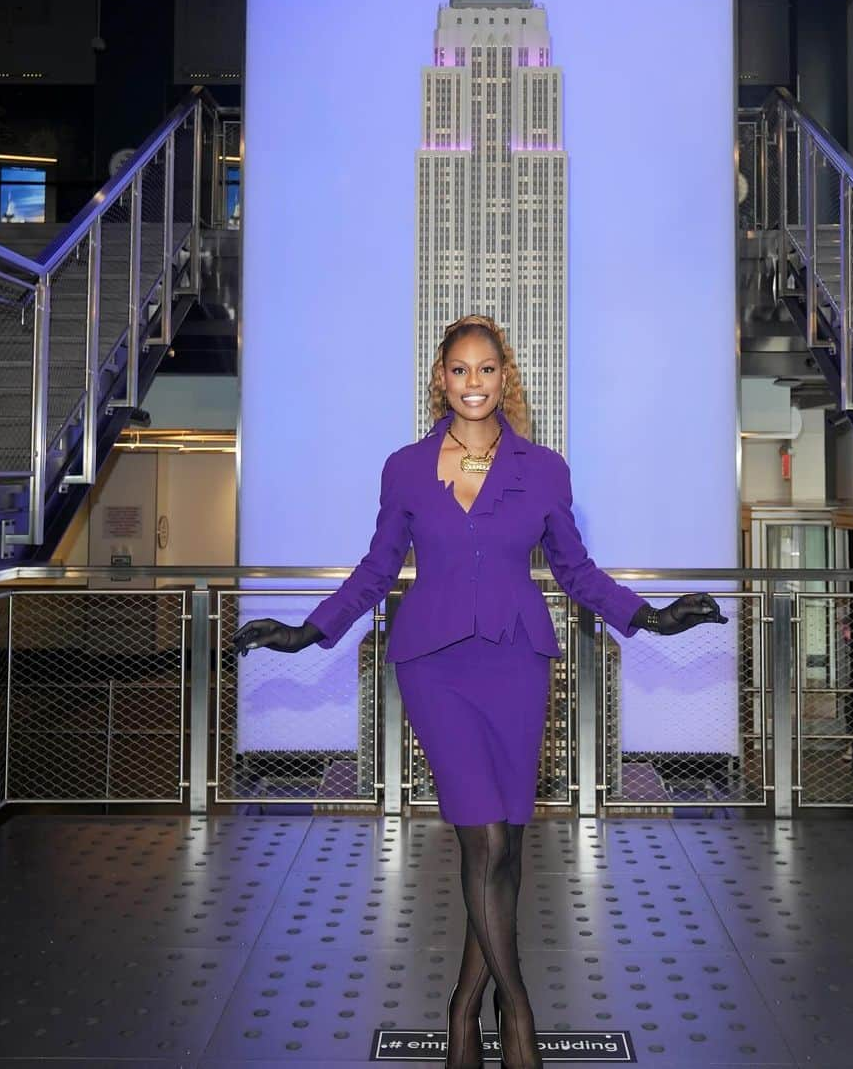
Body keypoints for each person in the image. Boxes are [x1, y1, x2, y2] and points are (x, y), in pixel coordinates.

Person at [232, 315, 726, 1069]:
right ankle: (517, 1014)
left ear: (505, 377)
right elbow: (374, 571)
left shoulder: (544, 469)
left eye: (486, 370)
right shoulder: (404, 468)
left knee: (506, 846)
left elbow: (576, 571)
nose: (473, 383)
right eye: (459, 370)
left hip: (517, 663)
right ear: (440, 378)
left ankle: (465, 1010)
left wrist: (649, 618)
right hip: (434, 666)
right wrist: (309, 631)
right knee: (484, 838)